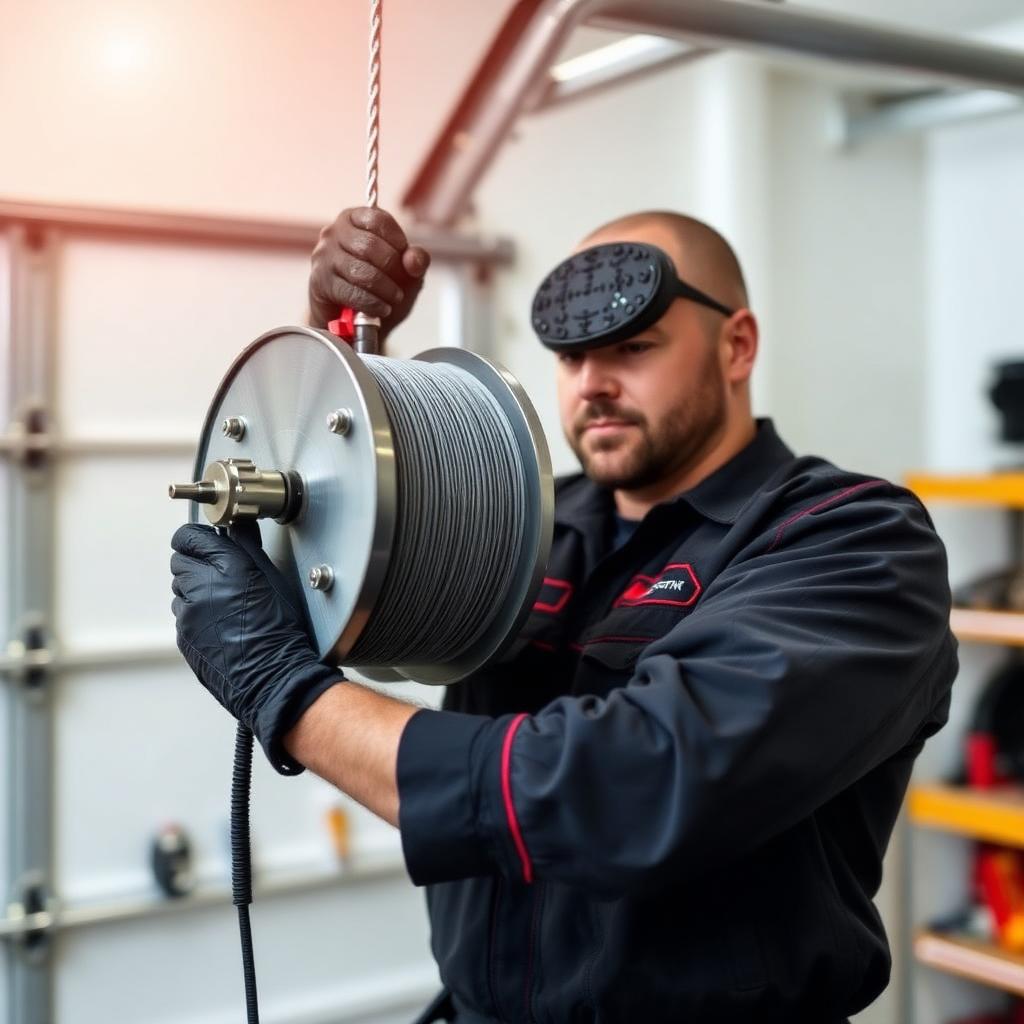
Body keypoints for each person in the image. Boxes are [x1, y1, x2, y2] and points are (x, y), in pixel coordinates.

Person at [170, 206, 958, 1023]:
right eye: (572, 356)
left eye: (634, 347)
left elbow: (632, 785)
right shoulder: (530, 523)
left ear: (737, 346)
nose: (593, 384)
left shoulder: (852, 542)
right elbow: (353, 527)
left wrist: (288, 697)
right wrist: (340, 338)